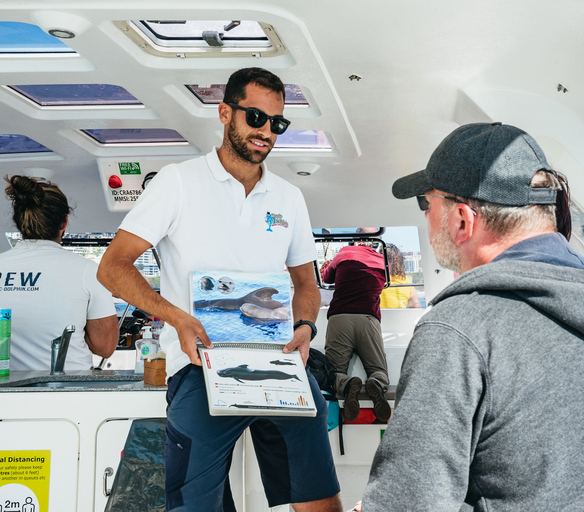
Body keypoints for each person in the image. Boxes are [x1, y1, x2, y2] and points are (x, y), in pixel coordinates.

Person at [362, 122, 584, 511]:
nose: (425, 218)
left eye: (426, 204)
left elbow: (408, 505)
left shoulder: (460, 328)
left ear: (462, 220)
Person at [97, 67, 342, 512]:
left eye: (277, 123)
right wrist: (179, 318)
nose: (266, 131)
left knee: (321, 500)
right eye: (255, 117)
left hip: (280, 361)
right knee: (192, 505)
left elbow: (306, 283)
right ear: (225, 113)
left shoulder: (288, 197)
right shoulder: (178, 182)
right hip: (198, 365)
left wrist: (305, 325)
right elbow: (112, 268)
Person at [0, 175, 118, 371]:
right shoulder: (88, 271)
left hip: (7, 394)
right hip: (69, 390)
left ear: (19, 222)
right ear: (64, 222)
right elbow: (105, 348)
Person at [322, 228, 391, 423]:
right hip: (368, 320)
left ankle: (347, 383)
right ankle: (376, 384)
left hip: (340, 318)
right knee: (378, 369)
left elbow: (326, 278)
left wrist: (329, 267)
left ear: (355, 240)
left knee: (333, 372)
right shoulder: (381, 261)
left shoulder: (345, 253)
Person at [379, 244, 420, 309]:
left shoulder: (377, 280)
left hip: (380, 317)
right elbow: (415, 305)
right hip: (401, 317)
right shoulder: (406, 281)